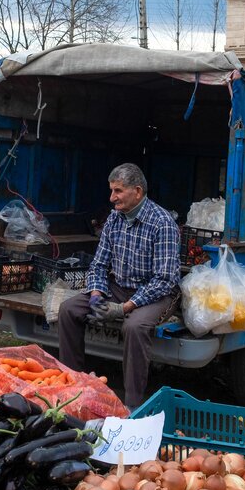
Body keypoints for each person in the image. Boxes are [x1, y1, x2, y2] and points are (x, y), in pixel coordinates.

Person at [58, 163, 180, 409]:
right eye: (111, 190)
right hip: (119, 285)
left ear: (137, 191)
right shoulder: (114, 218)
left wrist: (124, 308)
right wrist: (95, 295)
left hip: (155, 294)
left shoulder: (162, 223)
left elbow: (164, 280)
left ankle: (133, 404)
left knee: (134, 326)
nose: (111, 197)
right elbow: (99, 265)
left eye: (118, 191)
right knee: (68, 309)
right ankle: (74, 384)